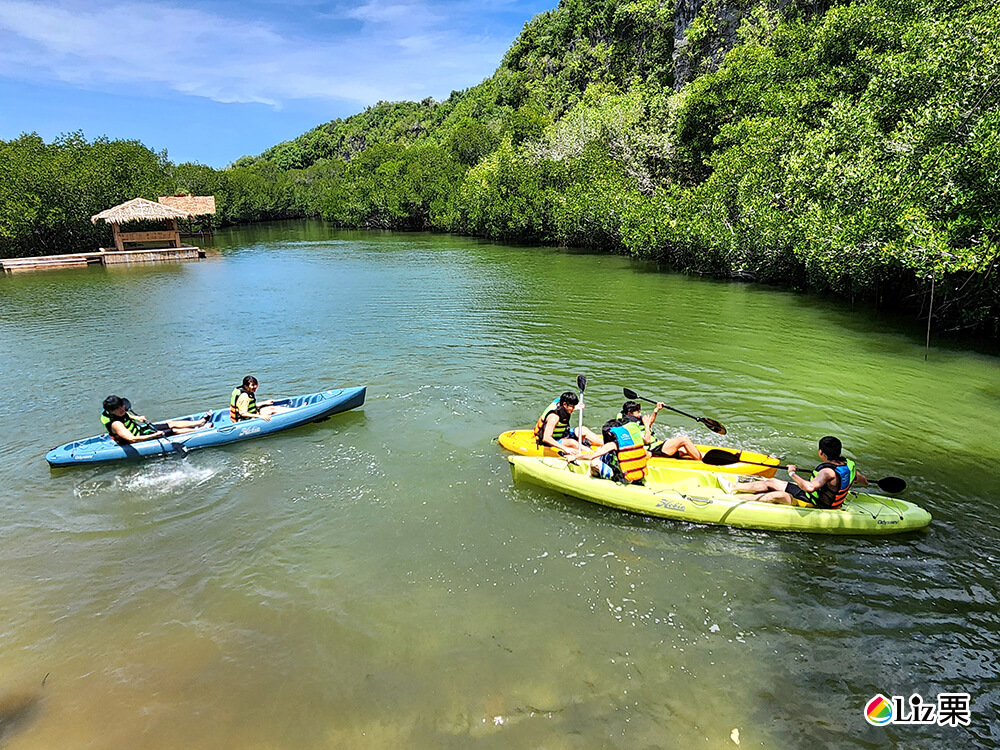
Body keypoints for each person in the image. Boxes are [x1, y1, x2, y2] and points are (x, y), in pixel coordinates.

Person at [730, 436, 869, 507]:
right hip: (814, 497)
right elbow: (862, 480)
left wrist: (792, 473)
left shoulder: (827, 472)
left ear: (821, 452)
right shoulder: (849, 465)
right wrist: (865, 483)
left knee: (778, 495)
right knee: (772, 481)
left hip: (817, 505)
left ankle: (735, 500)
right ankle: (734, 487)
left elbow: (810, 487)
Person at [566, 417, 649, 485]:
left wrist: (574, 457)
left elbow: (591, 456)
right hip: (638, 474)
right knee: (600, 452)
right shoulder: (634, 439)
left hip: (623, 478)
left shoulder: (613, 445)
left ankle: (587, 482)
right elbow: (647, 441)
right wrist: (647, 425)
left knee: (594, 462)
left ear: (611, 434)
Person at [101, 395, 210, 445]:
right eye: (117, 409)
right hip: (139, 440)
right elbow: (133, 439)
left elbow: (127, 417)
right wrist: (154, 435)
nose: (121, 409)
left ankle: (200, 422)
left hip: (141, 431)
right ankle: (201, 430)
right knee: (174, 430)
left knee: (171, 424)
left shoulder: (121, 412)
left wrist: (137, 418)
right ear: (111, 411)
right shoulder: (116, 424)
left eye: (121, 406)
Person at [618, 400, 703, 461]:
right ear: (629, 413)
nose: (640, 414)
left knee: (685, 450)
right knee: (683, 440)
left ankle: (707, 458)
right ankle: (701, 462)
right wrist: (647, 425)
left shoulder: (634, 420)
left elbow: (649, 422)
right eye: (637, 412)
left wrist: (656, 410)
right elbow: (647, 440)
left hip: (656, 447)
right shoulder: (630, 427)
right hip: (653, 451)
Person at [533, 391, 602, 452]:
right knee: (572, 442)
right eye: (572, 406)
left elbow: (563, 404)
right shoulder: (554, 417)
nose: (573, 409)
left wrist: (578, 406)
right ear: (564, 404)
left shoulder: (561, 404)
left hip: (564, 434)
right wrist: (565, 448)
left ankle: (608, 445)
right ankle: (593, 454)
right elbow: (546, 438)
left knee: (582, 430)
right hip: (553, 440)